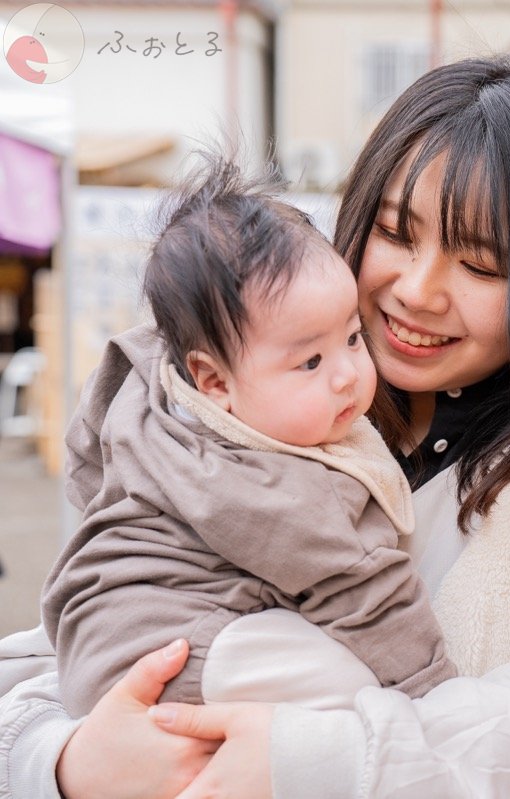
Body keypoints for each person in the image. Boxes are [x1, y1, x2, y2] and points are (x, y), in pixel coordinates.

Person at [0, 57, 510, 798]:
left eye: (482, 264)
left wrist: (325, 764)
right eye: (396, 234)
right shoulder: (250, 415)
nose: (418, 290)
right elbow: (74, 625)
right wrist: (66, 761)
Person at [42, 156, 454, 717]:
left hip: (98, 629)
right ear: (213, 380)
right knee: (348, 674)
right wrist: (437, 689)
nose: (346, 375)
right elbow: (369, 594)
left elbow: (87, 455)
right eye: (310, 361)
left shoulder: (153, 388)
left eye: (353, 337)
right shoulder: (274, 489)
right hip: (166, 654)